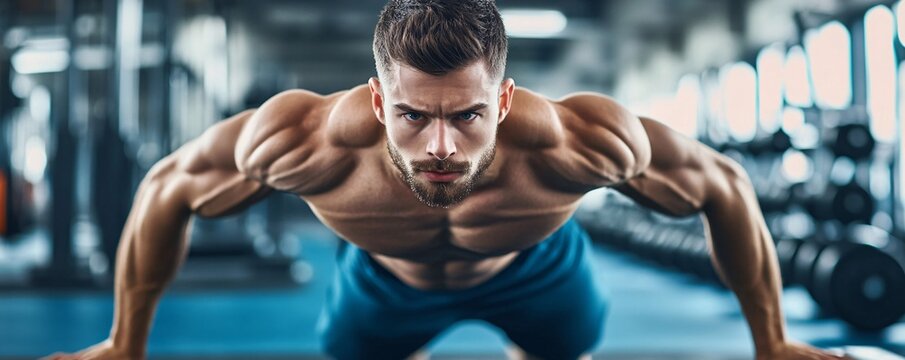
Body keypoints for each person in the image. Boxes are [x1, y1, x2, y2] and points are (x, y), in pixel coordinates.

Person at [47, 1, 847, 359]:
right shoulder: (299, 141)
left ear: (501, 97)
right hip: (381, 283)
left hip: (535, 272)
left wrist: (771, 346)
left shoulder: (580, 142)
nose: (439, 147)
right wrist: (125, 347)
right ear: (375, 97)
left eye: (465, 117)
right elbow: (166, 187)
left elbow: (723, 186)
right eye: (410, 116)